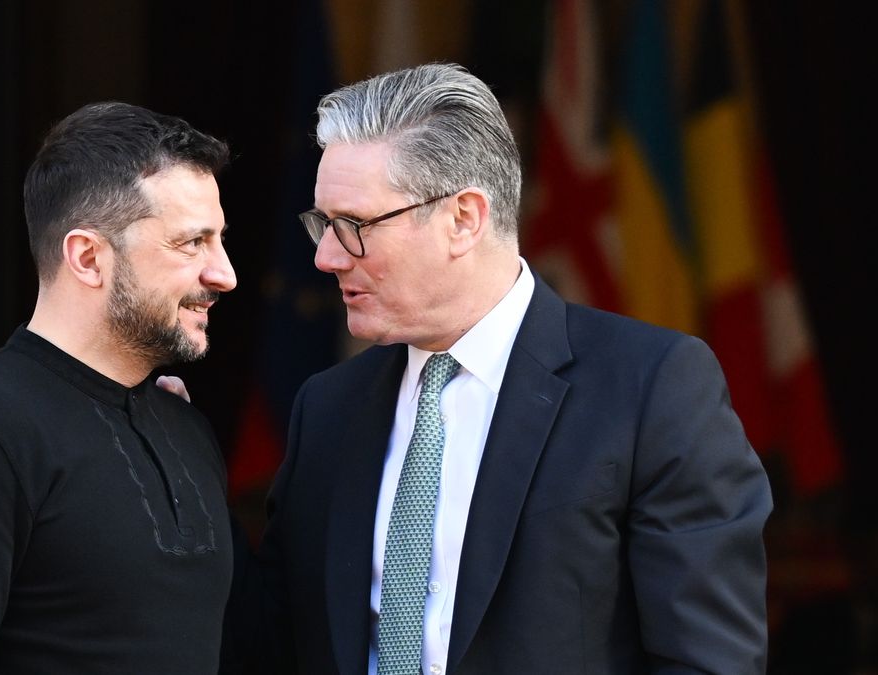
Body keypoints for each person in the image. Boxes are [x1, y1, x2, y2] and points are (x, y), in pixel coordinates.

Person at [253, 63, 773, 674]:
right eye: (321, 223)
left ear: (464, 219)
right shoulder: (327, 406)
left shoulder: (651, 387)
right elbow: (266, 637)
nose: (326, 255)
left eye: (354, 226)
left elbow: (707, 660)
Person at [0, 102, 238, 674]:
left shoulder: (185, 426)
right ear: (88, 257)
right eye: (192, 243)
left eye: (218, 241)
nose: (224, 273)